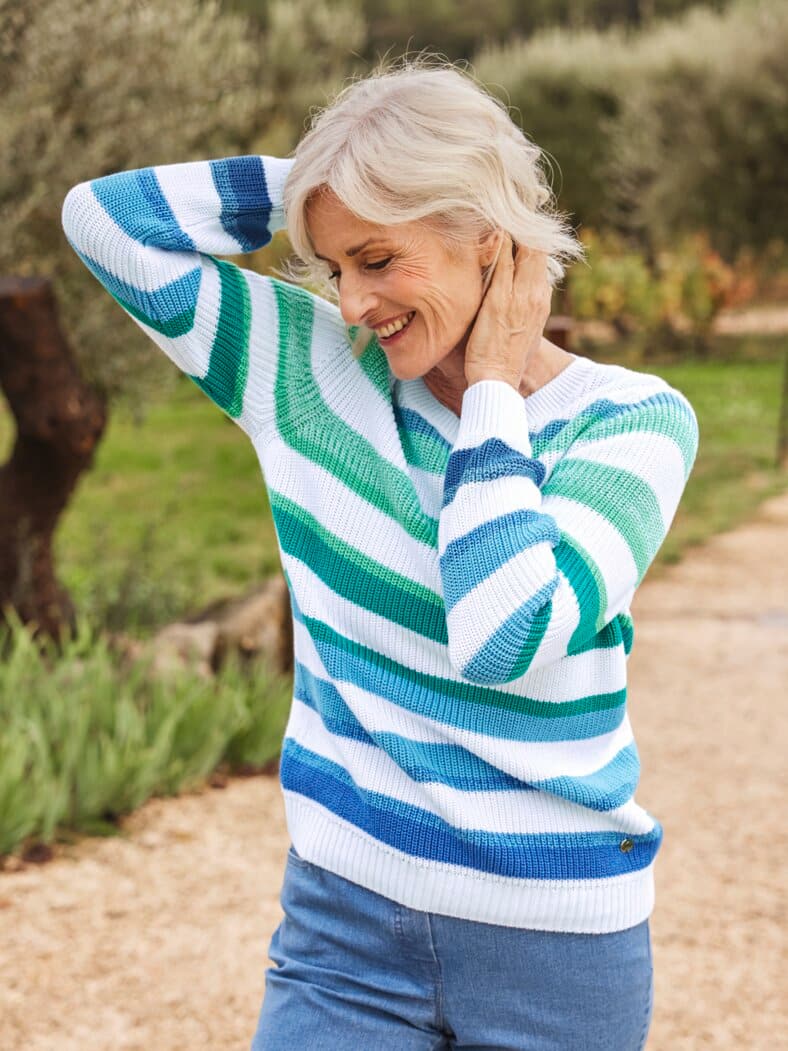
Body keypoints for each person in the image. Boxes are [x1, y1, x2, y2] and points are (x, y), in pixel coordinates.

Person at [62, 57, 698, 1051]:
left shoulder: (631, 423)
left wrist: (491, 385)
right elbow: (104, 221)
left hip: (552, 955)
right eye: (334, 265)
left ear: (486, 242)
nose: (350, 302)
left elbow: (505, 630)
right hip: (341, 932)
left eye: (377, 258)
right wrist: (330, 177)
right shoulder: (303, 373)